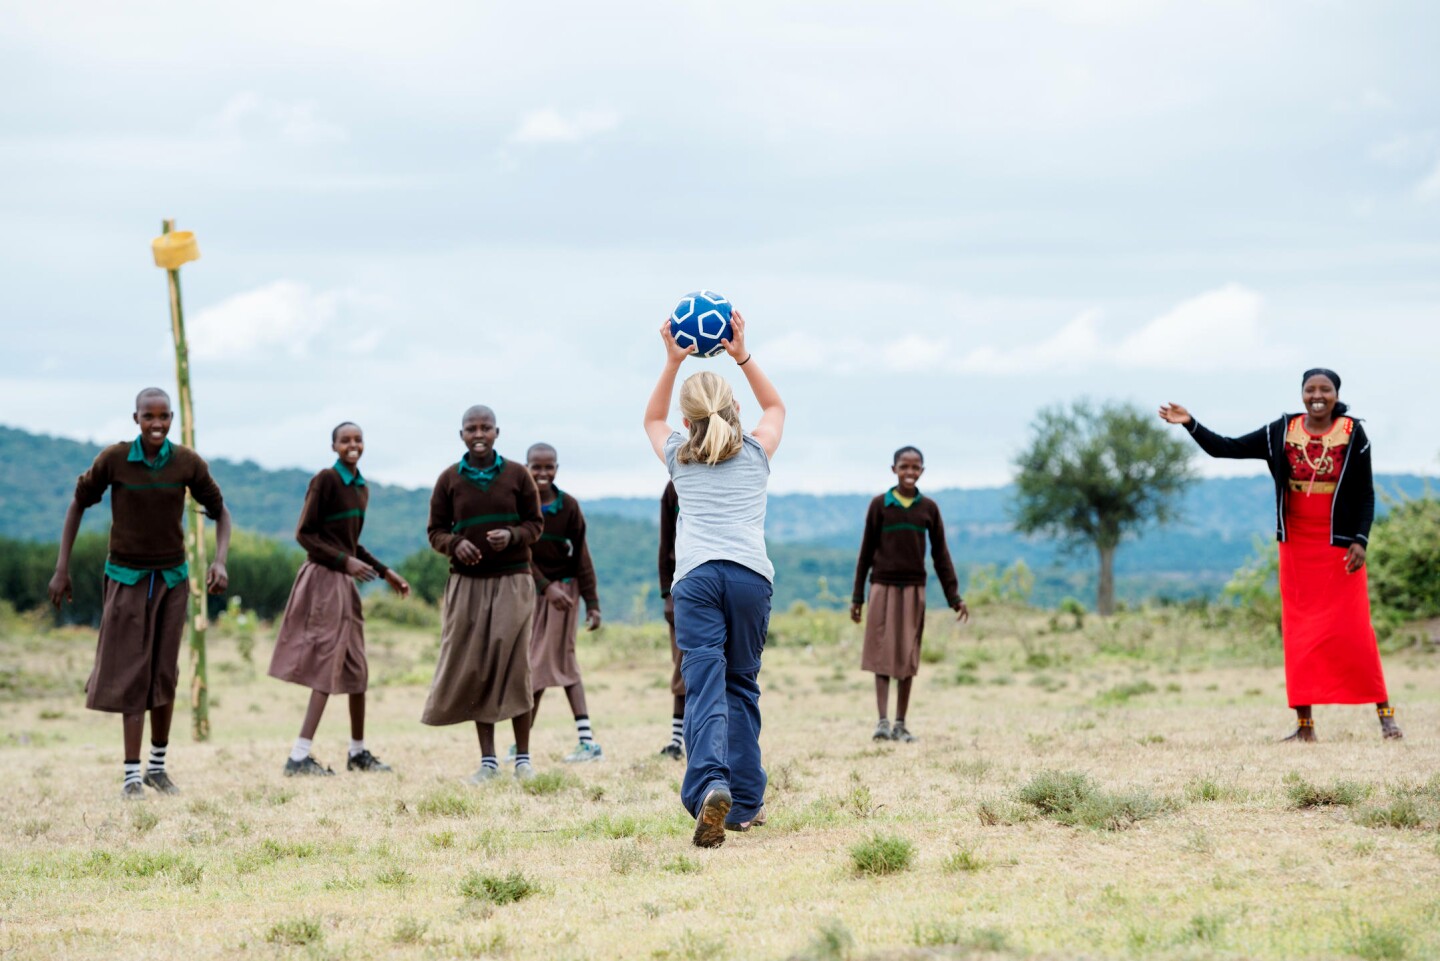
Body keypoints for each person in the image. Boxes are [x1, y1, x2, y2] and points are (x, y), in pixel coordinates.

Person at [1159, 368, 1402, 741]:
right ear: (1301, 394)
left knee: (1354, 631)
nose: (1317, 395)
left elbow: (1366, 493)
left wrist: (1360, 540)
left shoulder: (1354, 434)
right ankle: (1305, 727)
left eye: (1325, 389)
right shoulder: (1281, 430)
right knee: (1299, 633)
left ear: (1337, 395)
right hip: (1297, 545)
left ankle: (1386, 718)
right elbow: (1227, 447)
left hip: (1340, 547)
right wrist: (1190, 423)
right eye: (1310, 389)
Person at [643, 310, 785, 847]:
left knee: (703, 689)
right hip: (750, 579)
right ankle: (745, 804)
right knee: (741, 687)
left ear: (689, 416)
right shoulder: (756, 452)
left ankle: (711, 785)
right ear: (734, 410)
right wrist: (742, 352)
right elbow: (775, 406)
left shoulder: (680, 455)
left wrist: (672, 359)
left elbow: (651, 418)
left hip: (697, 581)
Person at [47, 388, 232, 799]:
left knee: (164, 672)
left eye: (164, 416)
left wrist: (219, 561)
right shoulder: (113, 460)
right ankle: (131, 776)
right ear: (135, 419)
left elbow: (221, 511)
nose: (157, 424)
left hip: (171, 580)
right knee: (132, 671)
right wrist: (62, 568)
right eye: (149, 416)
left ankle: (157, 768)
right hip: (126, 578)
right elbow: (78, 504)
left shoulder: (187, 462)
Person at [268, 422, 410, 776]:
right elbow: (305, 534)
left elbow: (351, 543)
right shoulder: (325, 480)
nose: (352, 444)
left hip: (345, 583)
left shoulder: (361, 487)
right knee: (325, 667)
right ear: (333, 446)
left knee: (356, 668)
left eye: (358, 439)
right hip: (322, 581)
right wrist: (345, 562)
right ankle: (298, 757)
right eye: (345, 440)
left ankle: (357, 753)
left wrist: (385, 571)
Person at [422, 405, 545, 781]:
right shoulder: (449, 480)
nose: (479, 434)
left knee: (514, 664)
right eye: (471, 428)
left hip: (513, 581)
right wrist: (454, 544)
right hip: (467, 585)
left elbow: (535, 524)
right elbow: (435, 531)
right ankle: (488, 762)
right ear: (461, 435)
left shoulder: (517, 475)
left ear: (496, 432)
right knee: (476, 666)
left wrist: (512, 536)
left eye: (485, 428)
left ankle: (522, 758)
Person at [850, 446, 968, 743]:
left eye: (915, 468)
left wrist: (954, 597)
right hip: (881, 588)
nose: (910, 473)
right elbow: (865, 554)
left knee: (907, 656)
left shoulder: (928, 508)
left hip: (914, 590)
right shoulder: (880, 505)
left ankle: (901, 724)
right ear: (894, 470)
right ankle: (882, 722)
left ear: (922, 472)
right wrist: (857, 598)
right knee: (880, 653)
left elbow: (941, 555)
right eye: (904, 467)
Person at [524, 442, 604, 762]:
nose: (542, 473)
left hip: (563, 596)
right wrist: (543, 586)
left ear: (556, 468)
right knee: (536, 664)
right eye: (536, 467)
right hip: (531, 594)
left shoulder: (568, 506)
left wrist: (592, 602)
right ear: (526, 467)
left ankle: (586, 742)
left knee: (555, 662)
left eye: (549, 467)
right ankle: (522, 743)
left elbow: (582, 556)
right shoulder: (520, 506)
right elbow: (520, 554)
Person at [657, 480, 685, 759]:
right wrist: (667, 593)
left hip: (719, 582)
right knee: (682, 663)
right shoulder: (674, 486)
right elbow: (666, 543)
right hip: (681, 587)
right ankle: (677, 740)